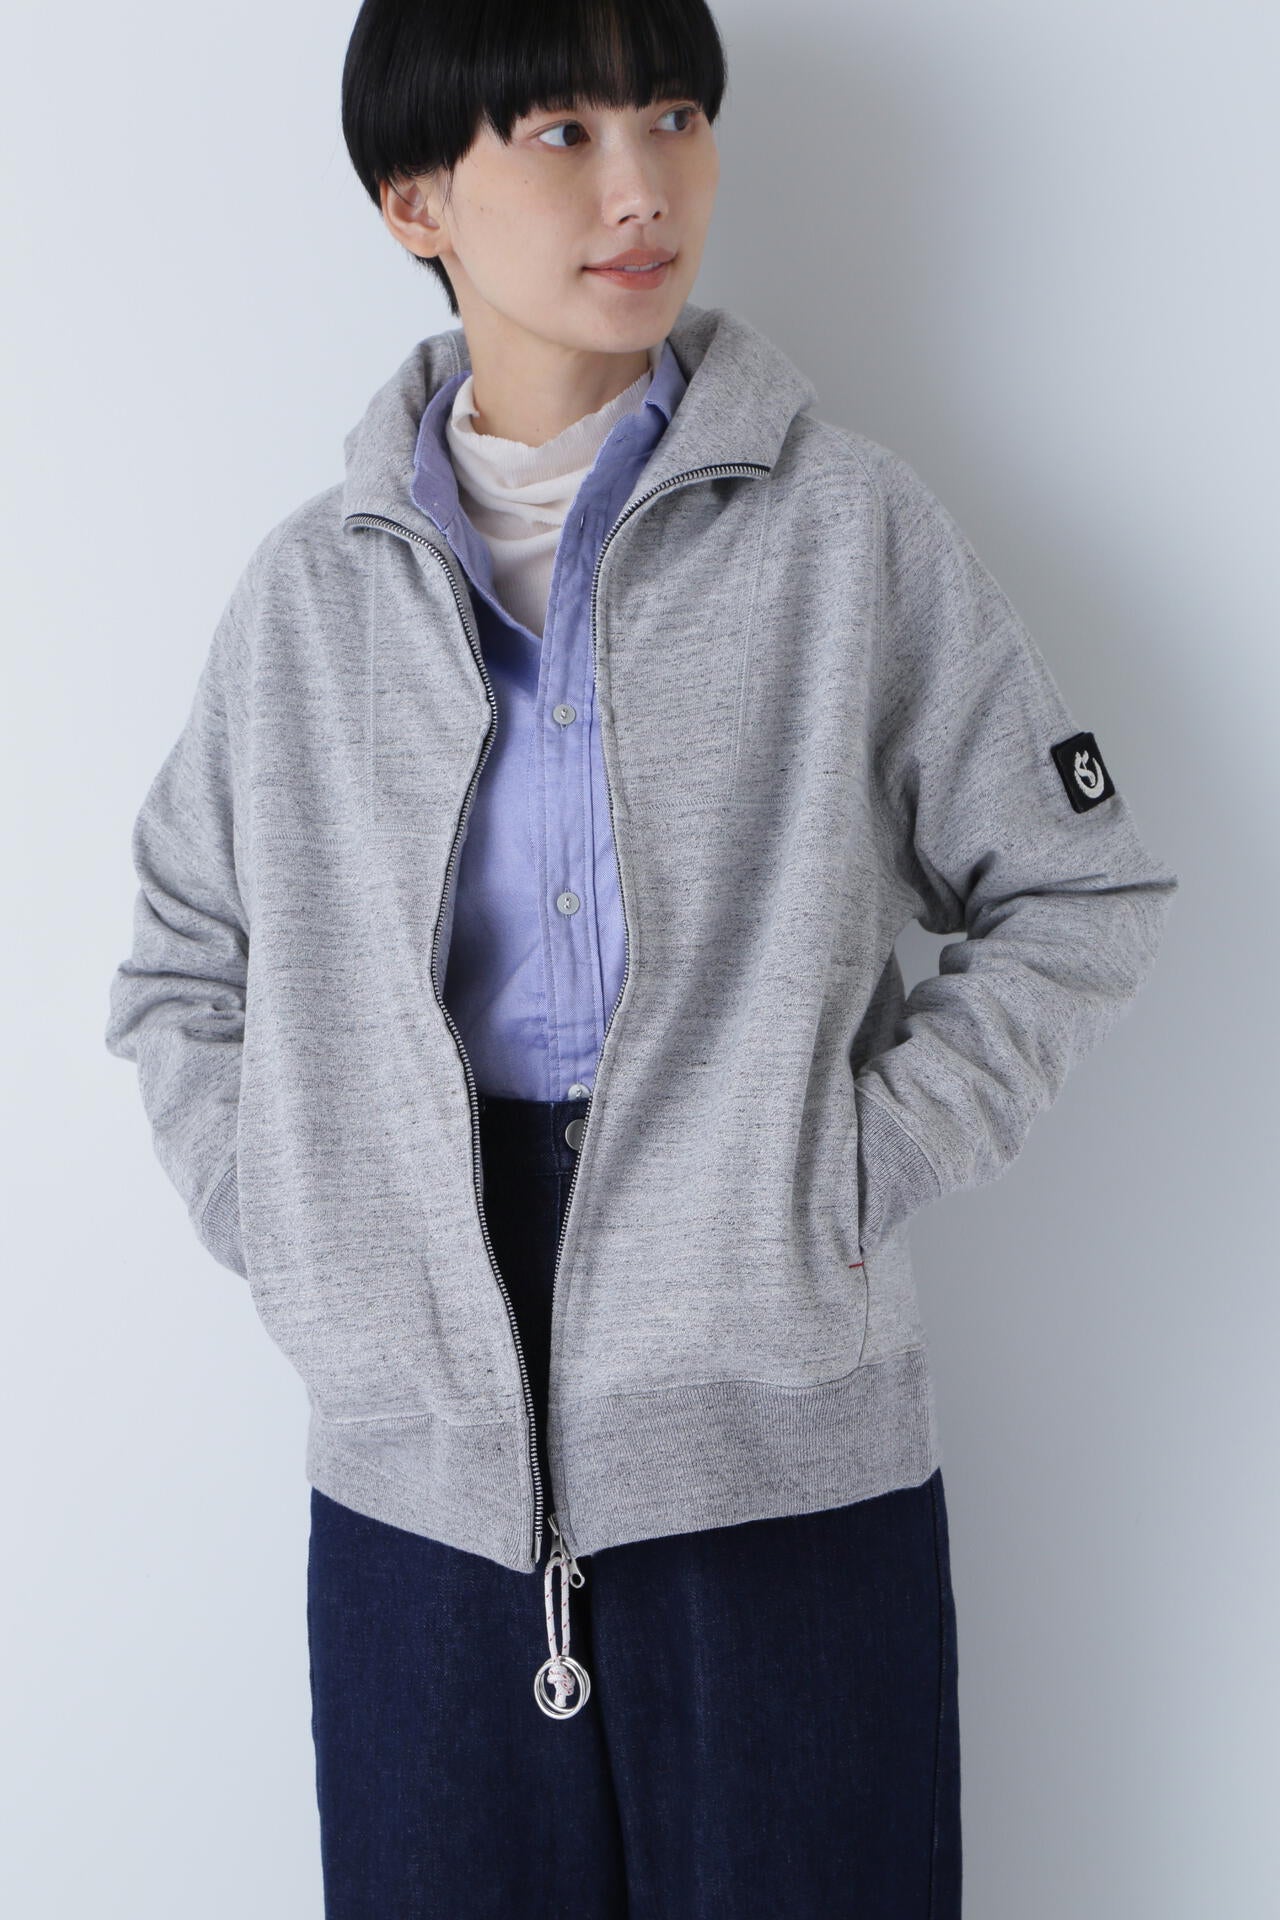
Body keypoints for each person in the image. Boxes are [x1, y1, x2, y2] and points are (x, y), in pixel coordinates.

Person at [103, 0, 1180, 1912]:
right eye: (564, 132)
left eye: (675, 114)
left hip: (782, 1436)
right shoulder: (308, 597)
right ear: (414, 200)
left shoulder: (848, 532)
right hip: (418, 1453)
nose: (642, 184)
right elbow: (180, 960)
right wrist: (298, 1219)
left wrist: (841, 1173)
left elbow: (1076, 886)